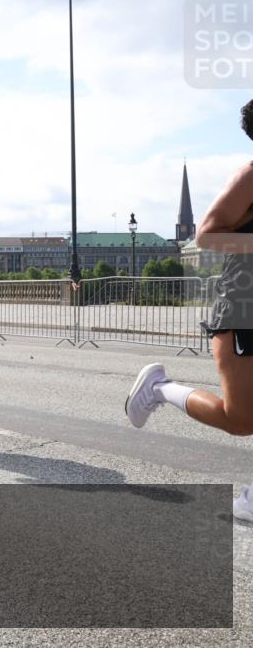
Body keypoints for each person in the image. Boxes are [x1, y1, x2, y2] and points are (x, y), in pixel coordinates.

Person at [126, 99, 253, 523]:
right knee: (239, 420)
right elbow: (208, 235)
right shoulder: (251, 175)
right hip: (244, 308)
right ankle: (159, 388)